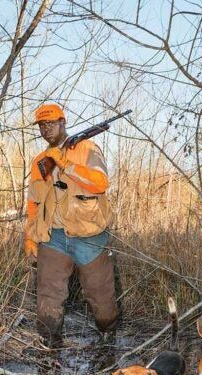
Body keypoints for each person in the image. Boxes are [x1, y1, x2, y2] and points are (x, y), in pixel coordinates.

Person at [24, 103, 119, 347]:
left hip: (89, 234)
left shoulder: (87, 148)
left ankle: (107, 339)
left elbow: (101, 183)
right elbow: (34, 202)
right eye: (42, 125)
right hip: (53, 236)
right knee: (48, 294)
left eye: (51, 123)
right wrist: (30, 238)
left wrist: (65, 164)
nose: (46, 129)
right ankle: (50, 345)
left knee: (100, 295)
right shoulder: (39, 161)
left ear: (63, 122)